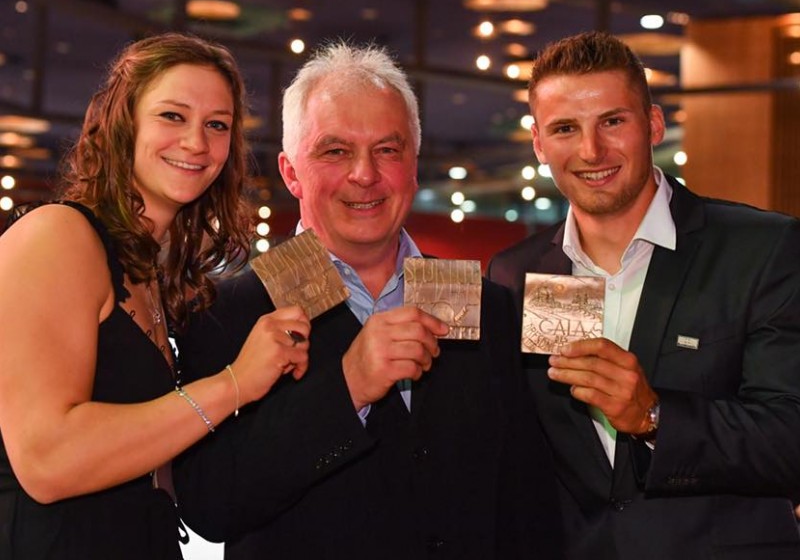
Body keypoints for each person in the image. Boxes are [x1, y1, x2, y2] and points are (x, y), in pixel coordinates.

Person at [174, 41, 564, 559]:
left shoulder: (484, 304)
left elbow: (526, 502)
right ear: (291, 173)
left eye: (387, 150)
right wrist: (347, 388)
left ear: (413, 166)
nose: (365, 174)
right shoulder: (224, 312)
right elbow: (210, 506)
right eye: (335, 151)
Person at [487, 30, 800, 559]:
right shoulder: (513, 274)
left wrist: (655, 417)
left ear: (653, 124)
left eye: (612, 121)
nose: (591, 150)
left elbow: (791, 437)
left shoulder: (761, 248)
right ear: (539, 144)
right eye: (565, 128)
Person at [0, 32, 310, 560]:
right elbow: (46, 460)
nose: (196, 142)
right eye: (172, 116)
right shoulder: (58, 236)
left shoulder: (150, 274)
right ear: (124, 123)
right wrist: (235, 383)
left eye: (217, 125)